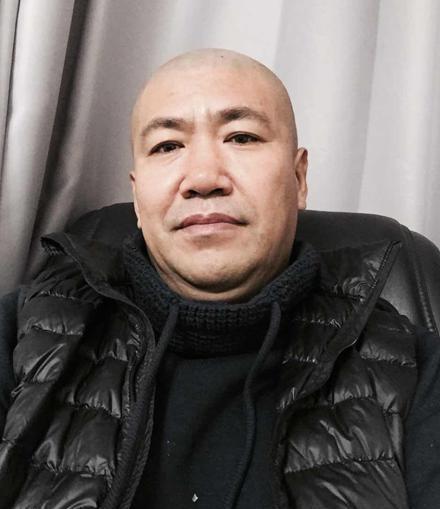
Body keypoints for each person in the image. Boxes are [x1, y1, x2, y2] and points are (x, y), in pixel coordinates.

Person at [0, 48, 439, 509]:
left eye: (241, 137)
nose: (204, 177)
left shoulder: (415, 369)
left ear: (299, 178)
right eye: (167, 146)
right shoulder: (22, 334)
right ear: (137, 197)